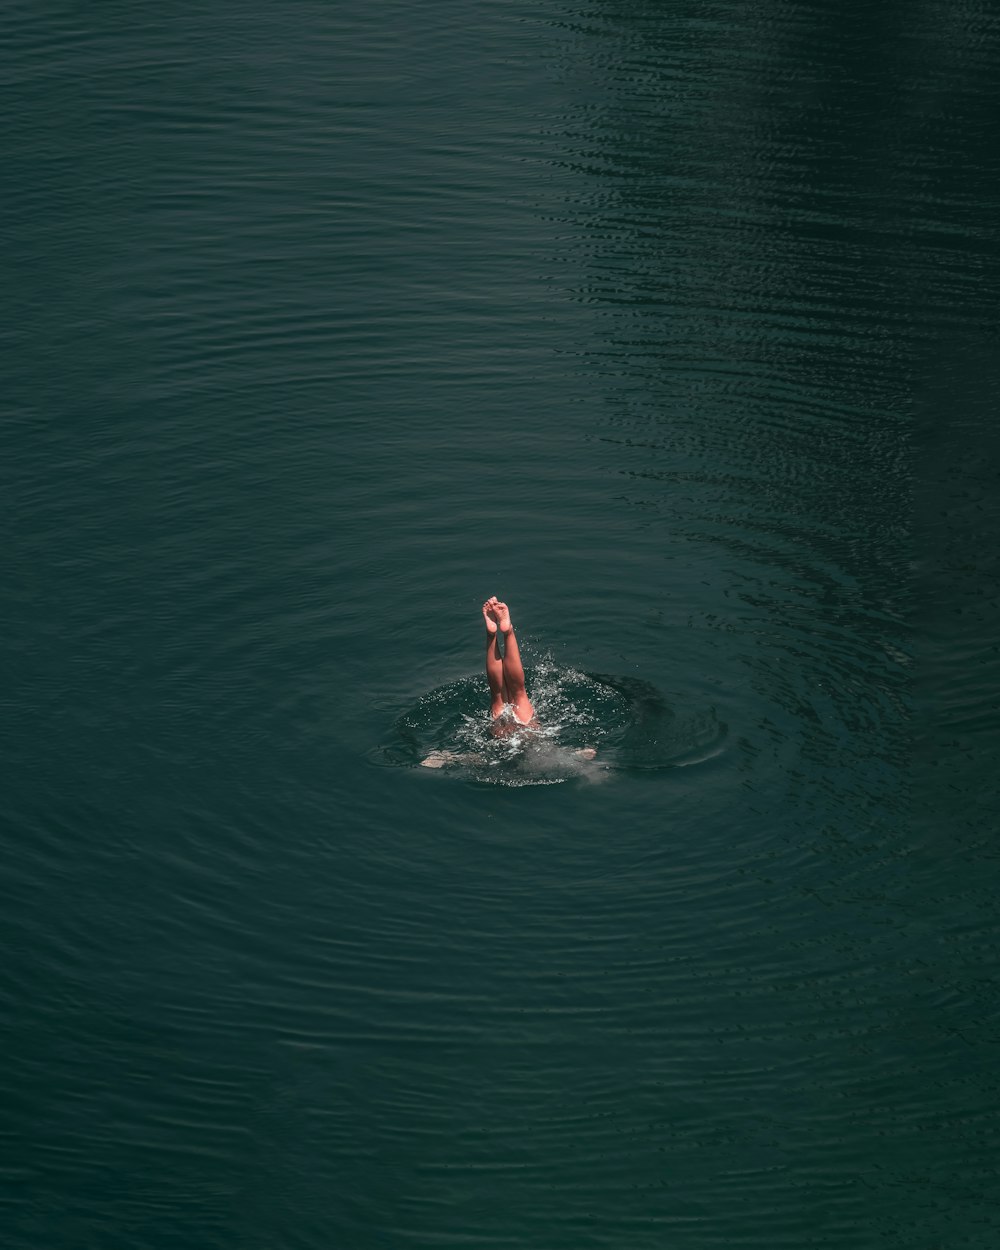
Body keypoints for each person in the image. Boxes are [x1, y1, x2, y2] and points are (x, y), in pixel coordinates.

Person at [420, 597, 596, 768]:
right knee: (505, 693)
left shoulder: (506, 763)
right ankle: (502, 632)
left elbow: (476, 759)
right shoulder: (536, 764)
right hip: (516, 735)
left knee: (515, 692)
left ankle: (499, 632)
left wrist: (447, 758)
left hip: (513, 736)